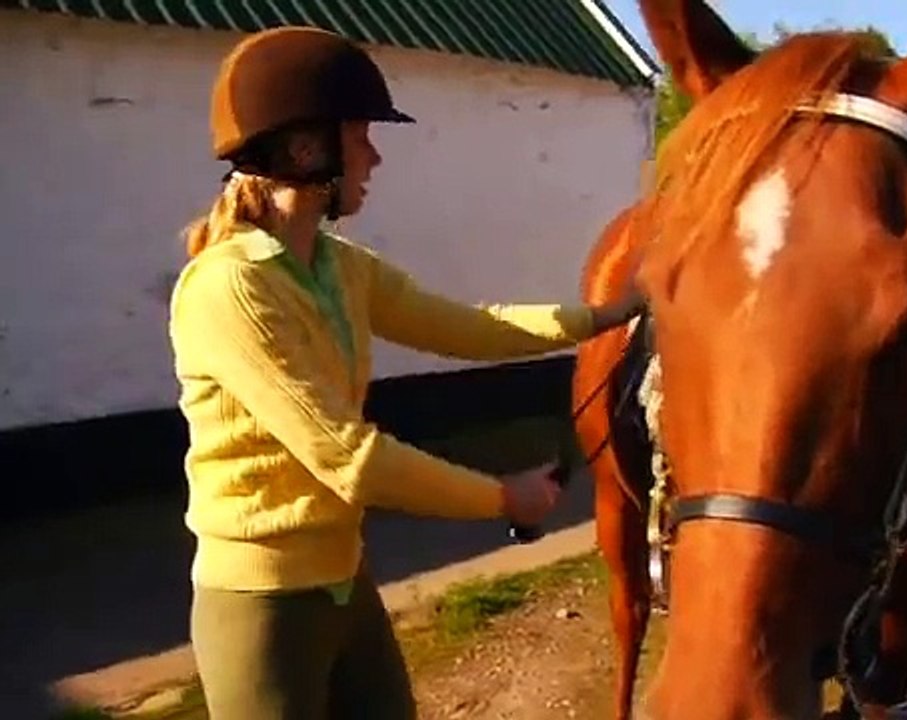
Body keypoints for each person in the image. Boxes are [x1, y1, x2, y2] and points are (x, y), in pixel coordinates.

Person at [168, 26, 645, 720]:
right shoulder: (228, 288)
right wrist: (502, 498)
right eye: (361, 136)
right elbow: (348, 460)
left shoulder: (338, 267)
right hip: (263, 608)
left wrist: (612, 315)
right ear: (308, 149)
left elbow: (472, 327)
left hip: (343, 583)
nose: (375, 157)